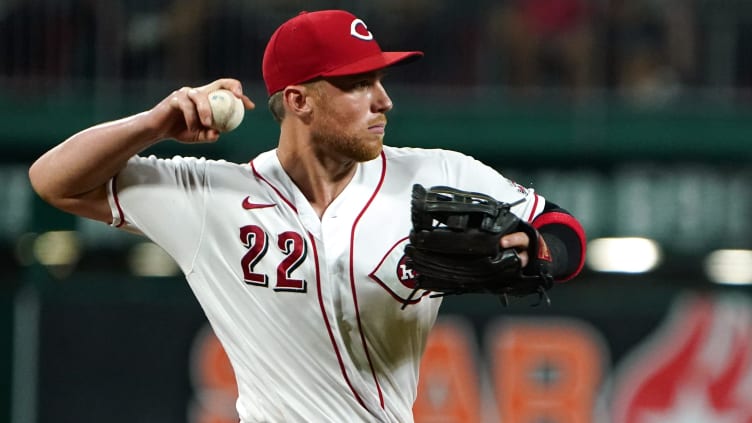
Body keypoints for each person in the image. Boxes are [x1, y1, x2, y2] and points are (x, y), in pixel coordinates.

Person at [29, 9, 586, 423]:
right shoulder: (211, 195)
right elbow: (53, 180)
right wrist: (153, 123)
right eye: (358, 83)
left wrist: (533, 253)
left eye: (382, 79)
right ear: (299, 101)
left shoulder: (436, 173)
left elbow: (565, 235)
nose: (383, 100)